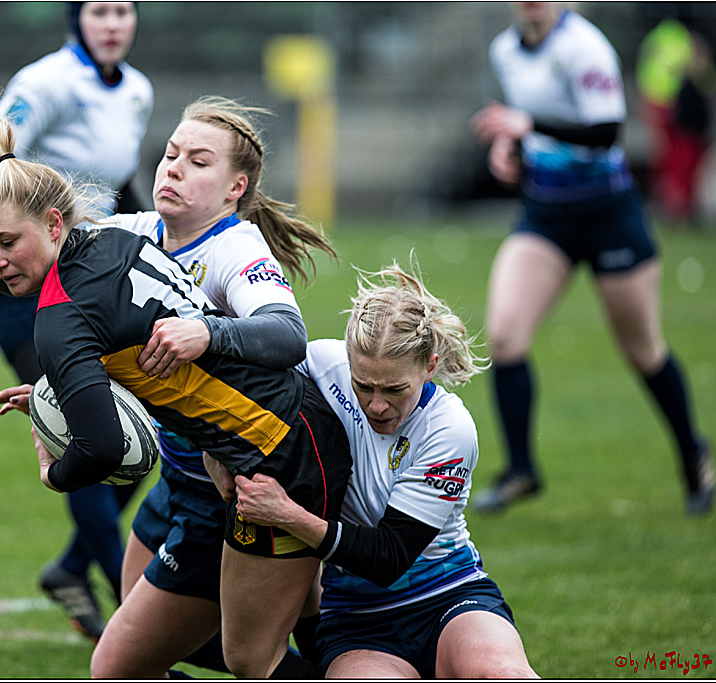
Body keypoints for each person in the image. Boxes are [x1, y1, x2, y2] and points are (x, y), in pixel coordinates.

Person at [0, 15, 351, 679]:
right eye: (172, 154)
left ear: (236, 188)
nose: (175, 167)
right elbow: (61, 275)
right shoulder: (136, 228)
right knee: (136, 634)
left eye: (199, 161)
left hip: (254, 457)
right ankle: (323, 623)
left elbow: (286, 336)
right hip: (187, 466)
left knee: (248, 652)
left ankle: (346, 641)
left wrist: (208, 330)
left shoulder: (235, 248)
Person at [227, 260, 539, 678]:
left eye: (395, 389)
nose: (376, 404)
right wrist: (219, 457)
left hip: (448, 597)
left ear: (429, 366)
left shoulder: (449, 428)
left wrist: (286, 514)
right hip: (357, 619)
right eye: (363, 385)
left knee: (501, 673)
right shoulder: (321, 363)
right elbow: (233, 394)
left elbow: (387, 557)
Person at [0, 1, 154, 642]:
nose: (113, 22)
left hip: (91, 284)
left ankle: (71, 568)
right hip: (25, 286)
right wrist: (3, 247)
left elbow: (121, 189)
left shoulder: (137, 91)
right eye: (98, 9)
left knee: (130, 441)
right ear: (76, 19)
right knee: (86, 435)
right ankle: (135, 621)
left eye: (123, 9)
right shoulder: (44, 83)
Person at [469, 2, 713, 515]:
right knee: (506, 334)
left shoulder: (585, 47)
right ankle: (520, 470)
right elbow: (534, 131)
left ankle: (694, 454)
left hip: (608, 214)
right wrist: (510, 150)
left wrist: (526, 123)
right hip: (546, 214)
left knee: (642, 348)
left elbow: (605, 131)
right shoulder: (505, 49)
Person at [636, 16, 716, 225]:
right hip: (670, 106)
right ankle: (675, 208)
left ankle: (676, 208)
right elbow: (706, 80)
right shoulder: (680, 41)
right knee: (675, 161)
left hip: (664, 105)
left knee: (673, 160)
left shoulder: (658, 37)